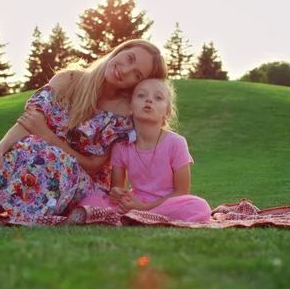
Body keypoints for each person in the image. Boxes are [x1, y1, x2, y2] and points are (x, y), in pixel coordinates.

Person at [0, 39, 169, 228]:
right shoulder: (69, 80)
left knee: (45, 151)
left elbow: (96, 165)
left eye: (136, 73)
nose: (126, 70)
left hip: (81, 185)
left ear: (139, 82)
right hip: (36, 164)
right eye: (129, 58)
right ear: (119, 50)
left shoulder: (124, 111)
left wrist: (50, 139)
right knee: (34, 148)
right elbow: (29, 121)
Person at [78, 78, 211, 222]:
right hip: (135, 202)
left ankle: (141, 215)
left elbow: (181, 192)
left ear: (167, 112)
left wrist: (144, 208)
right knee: (93, 199)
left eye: (158, 97)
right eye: (141, 95)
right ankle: (138, 216)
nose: (148, 100)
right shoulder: (121, 146)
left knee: (198, 206)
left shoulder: (176, 143)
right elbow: (117, 188)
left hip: (167, 204)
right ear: (131, 107)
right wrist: (117, 194)